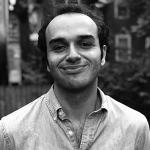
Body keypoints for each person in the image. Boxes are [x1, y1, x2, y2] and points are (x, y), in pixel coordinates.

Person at [0, 4, 150, 150]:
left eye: (85, 44)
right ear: (46, 60)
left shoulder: (135, 127)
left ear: (103, 54)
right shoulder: (11, 133)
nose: (73, 55)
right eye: (59, 47)